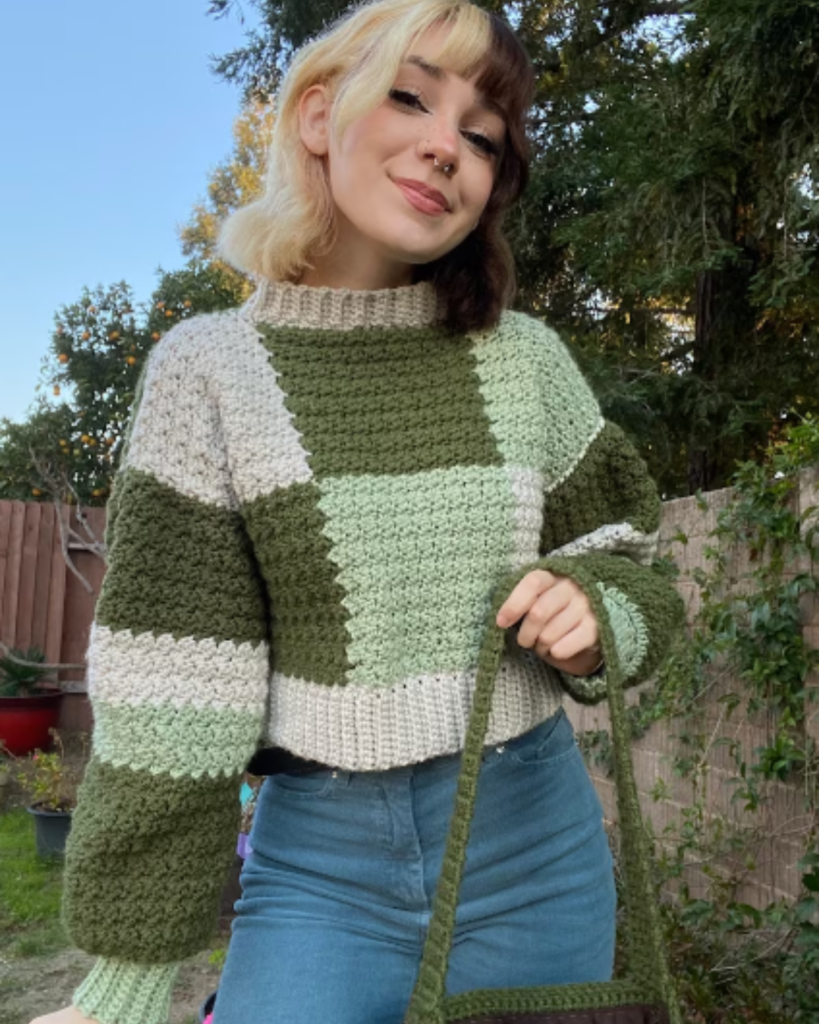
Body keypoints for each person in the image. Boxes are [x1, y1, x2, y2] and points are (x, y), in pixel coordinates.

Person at [33, 2, 683, 1023]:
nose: (446, 146)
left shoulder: (525, 363)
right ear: (319, 115)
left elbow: (635, 556)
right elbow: (175, 699)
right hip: (317, 876)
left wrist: (600, 609)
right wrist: (126, 985)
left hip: (538, 850)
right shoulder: (210, 374)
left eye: (482, 134)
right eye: (413, 96)